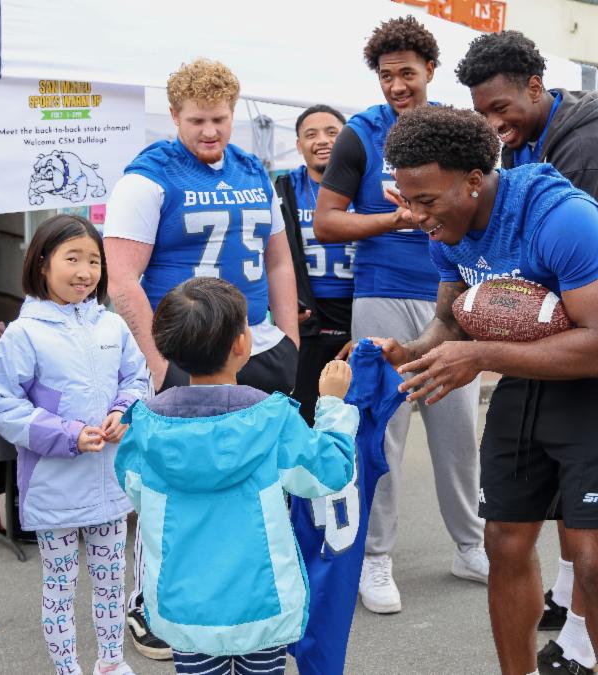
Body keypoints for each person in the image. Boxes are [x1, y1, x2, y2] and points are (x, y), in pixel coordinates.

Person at [376, 106, 598, 675]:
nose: (417, 216)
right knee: (503, 543)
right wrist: (415, 350)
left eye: (426, 201)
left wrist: (481, 355)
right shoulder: (444, 228)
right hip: (528, 369)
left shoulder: (560, 217)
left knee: (595, 564)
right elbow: (452, 317)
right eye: (408, 200)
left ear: (474, 181)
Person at [455, 31, 598, 673]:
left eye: (501, 110)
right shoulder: (502, 161)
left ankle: (581, 646)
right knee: (509, 540)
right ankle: (558, 644)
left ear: (536, 89)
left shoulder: (588, 151)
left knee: (593, 552)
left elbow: (549, 277)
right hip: (537, 351)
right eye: (481, 114)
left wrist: (479, 336)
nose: (494, 127)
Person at [104, 58, 300, 657]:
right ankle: (146, 602)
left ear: (234, 113)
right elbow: (122, 279)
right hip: (186, 349)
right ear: (174, 116)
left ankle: (240, 591)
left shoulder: (252, 168)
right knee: (172, 483)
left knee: (256, 477)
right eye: (197, 121)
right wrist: (160, 364)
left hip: (256, 342)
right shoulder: (148, 176)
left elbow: (278, 260)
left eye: (219, 119)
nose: (210, 132)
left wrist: (289, 339)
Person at [314, 15, 488, 615]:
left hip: (454, 292)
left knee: (458, 429)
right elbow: (326, 223)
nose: (396, 86)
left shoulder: (458, 130)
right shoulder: (359, 134)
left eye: (407, 74)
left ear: (431, 72)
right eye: (386, 76)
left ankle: (470, 544)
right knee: (383, 428)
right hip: (383, 290)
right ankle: (376, 557)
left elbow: (486, 202)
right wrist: (396, 220)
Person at [113, 277, 358, 675]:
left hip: (185, 606)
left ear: (166, 345)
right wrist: (331, 403)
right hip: (261, 603)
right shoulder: (272, 420)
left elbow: (135, 490)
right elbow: (331, 471)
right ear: (242, 344)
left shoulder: (143, 428)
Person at [0, 215, 150, 675]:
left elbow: (138, 379)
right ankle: (67, 669)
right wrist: (68, 435)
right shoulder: (24, 333)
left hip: (111, 484)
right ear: (41, 264)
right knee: (59, 584)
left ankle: (112, 663)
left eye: (93, 260)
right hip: (54, 484)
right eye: (71, 258)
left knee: (111, 580)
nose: (85, 271)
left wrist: (124, 412)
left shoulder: (111, 327)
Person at [278, 104, 356, 424]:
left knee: (356, 414)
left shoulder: (363, 189)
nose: (322, 140)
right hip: (306, 315)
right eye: (311, 134)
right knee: (304, 415)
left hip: (355, 310)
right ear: (299, 145)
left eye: (332, 132)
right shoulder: (285, 189)